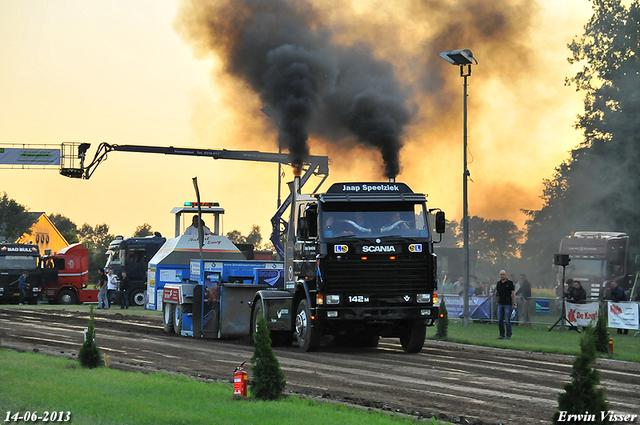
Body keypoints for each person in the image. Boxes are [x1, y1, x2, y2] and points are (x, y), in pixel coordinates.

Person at [495, 270, 517, 340]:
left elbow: (513, 294)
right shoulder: (498, 283)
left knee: (507, 320)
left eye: (503, 274)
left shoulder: (510, 283)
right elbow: (497, 293)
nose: (502, 275)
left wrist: (514, 303)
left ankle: (508, 335)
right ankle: (502, 334)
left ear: (506, 275)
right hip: (500, 303)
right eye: (501, 274)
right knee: (499, 320)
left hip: (508, 304)